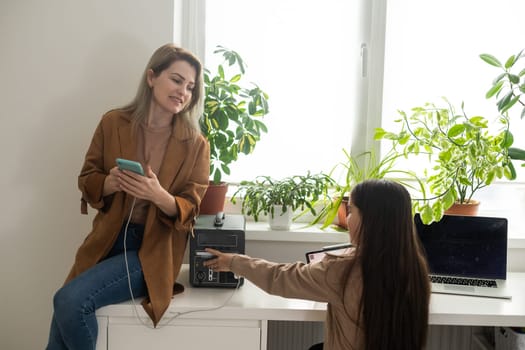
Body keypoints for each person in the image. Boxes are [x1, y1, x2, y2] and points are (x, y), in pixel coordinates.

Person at [46, 43, 210, 350]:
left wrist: (159, 195)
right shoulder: (113, 123)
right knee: (62, 314)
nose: (183, 92)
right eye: (176, 80)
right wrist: (109, 183)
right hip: (106, 240)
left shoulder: (196, 144)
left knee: (68, 300)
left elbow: (192, 207)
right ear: (151, 77)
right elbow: (87, 178)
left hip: (152, 250)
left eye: (190, 87)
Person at [205, 179, 431, 350]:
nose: (347, 217)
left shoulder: (343, 269)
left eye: (351, 210)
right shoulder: (416, 269)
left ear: (370, 220)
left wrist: (233, 261)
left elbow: (281, 278)